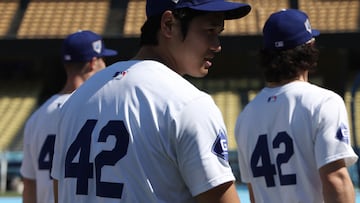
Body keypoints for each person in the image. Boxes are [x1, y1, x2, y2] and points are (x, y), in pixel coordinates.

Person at [51, 0, 251, 203]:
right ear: (168, 24)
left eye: (219, 33)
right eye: (210, 30)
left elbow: (58, 195)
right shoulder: (188, 103)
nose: (217, 45)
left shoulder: (74, 102)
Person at [235, 9, 359, 203]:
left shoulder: (246, 116)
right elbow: (336, 180)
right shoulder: (324, 102)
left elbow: (254, 195)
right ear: (309, 48)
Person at [20, 30, 118, 203]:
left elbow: (29, 185)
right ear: (93, 63)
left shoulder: (36, 117)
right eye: (103, 59)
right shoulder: (101, 109)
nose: (105, 64)